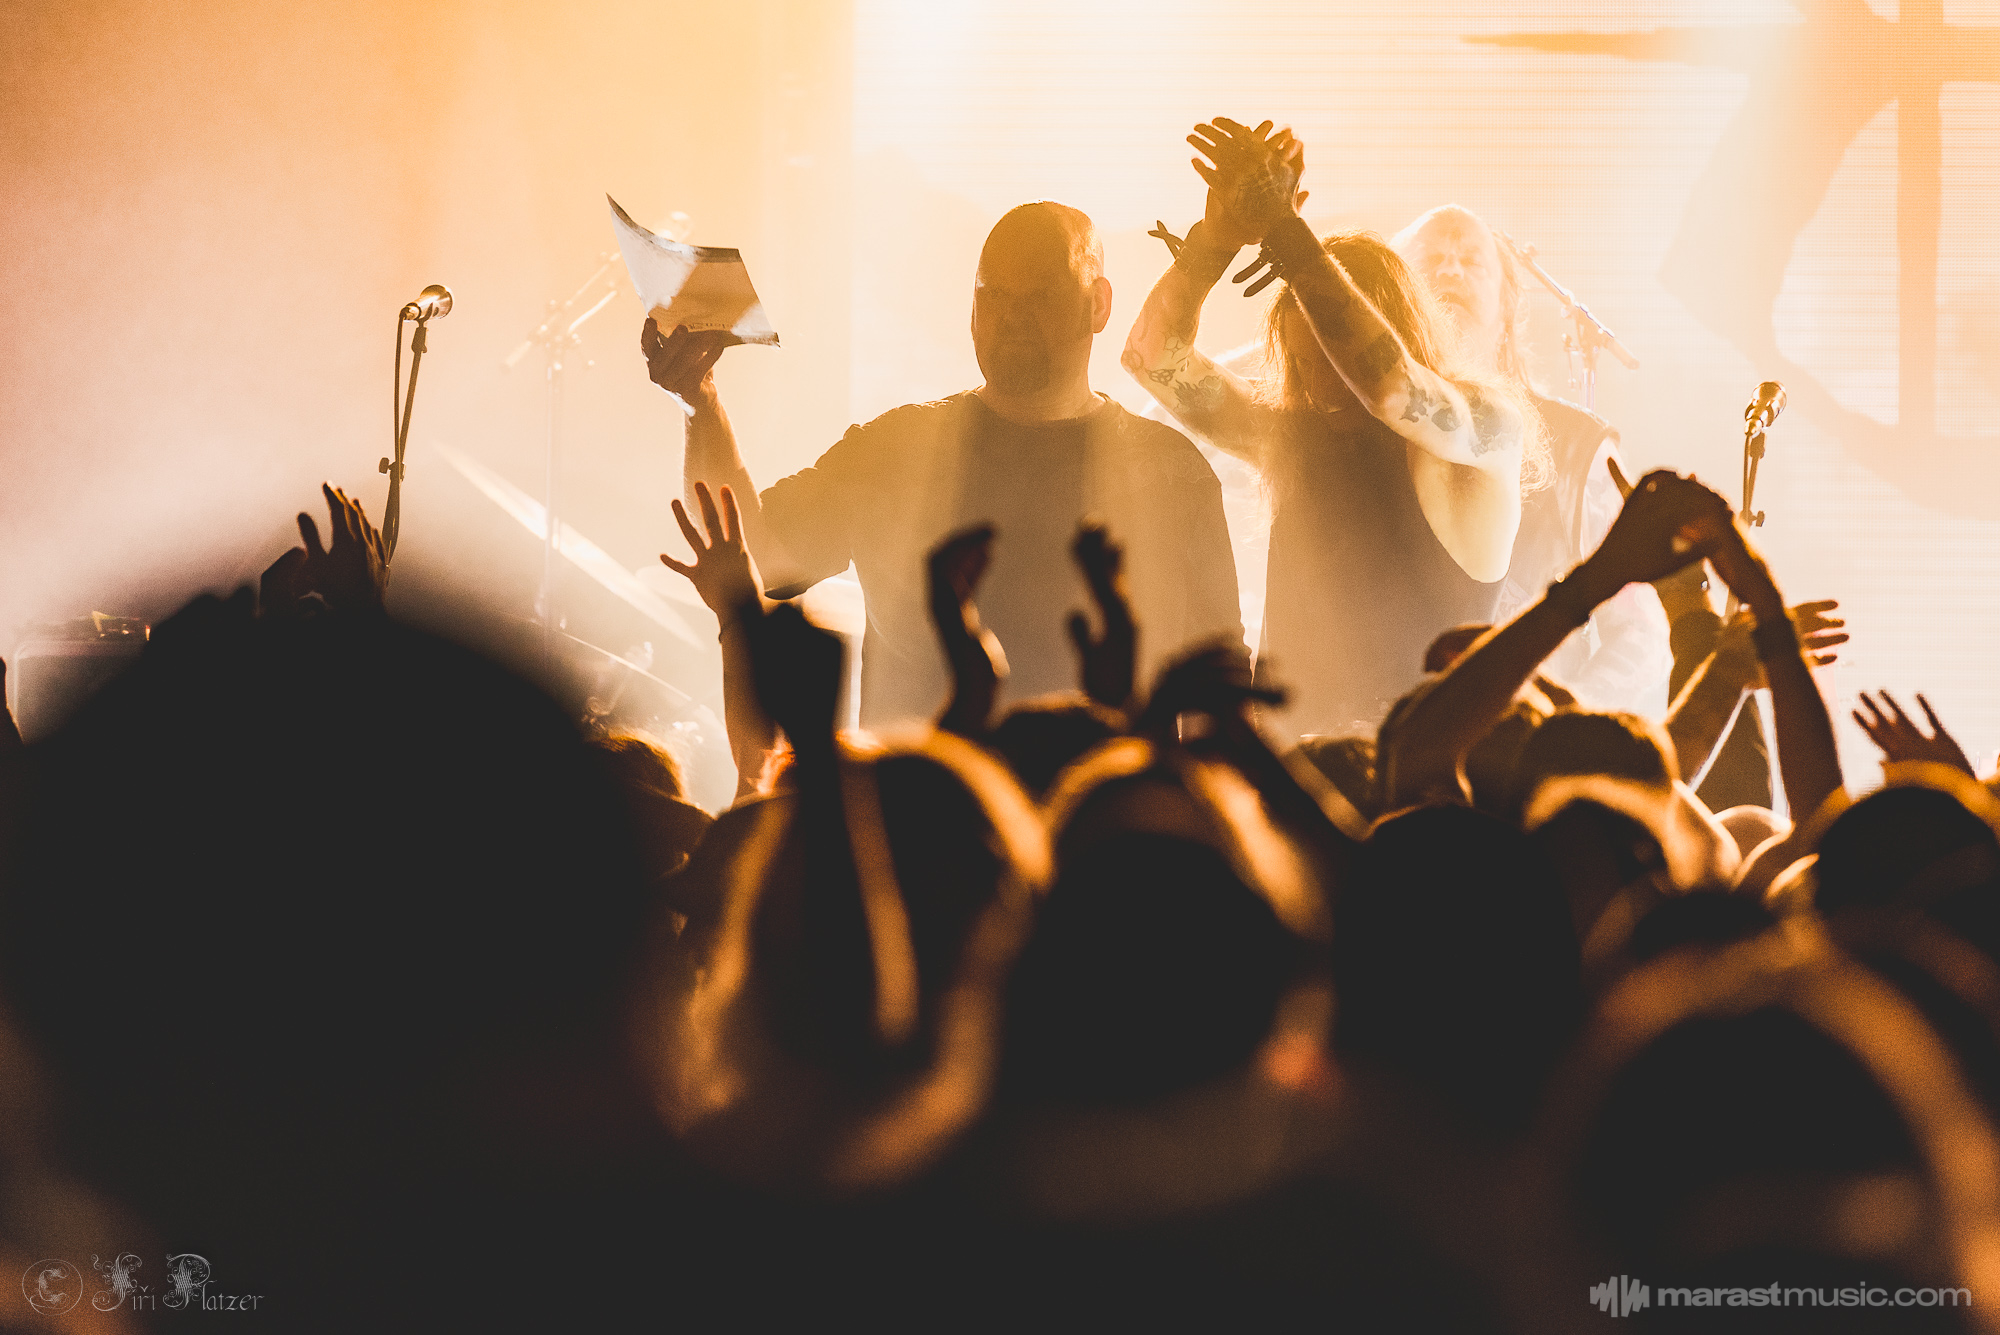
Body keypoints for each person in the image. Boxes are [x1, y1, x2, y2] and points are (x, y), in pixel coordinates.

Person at [643, 201, 1242, 729]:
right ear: (972, 307)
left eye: (1041, 296)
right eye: (994, 295)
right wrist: (700, 401)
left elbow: (1220, 683)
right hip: (924, 813)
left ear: (1099, 304)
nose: (1013, 317)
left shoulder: (1170, 472)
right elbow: (754, 551)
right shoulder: (893, 449)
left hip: (1100, 818)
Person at [1123, 119, 1535, 737]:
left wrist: (1284, 229)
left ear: (1393, 326)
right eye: (1300, 356)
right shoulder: (1293, 435)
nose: (1314, 375)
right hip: (1294, 774)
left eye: (1326, 351)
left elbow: (1391, 390)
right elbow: (1152, 357)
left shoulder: (1485, 429)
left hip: (1410, 775)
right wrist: (1216, 238)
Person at [1389, 204, 1671, 714]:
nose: (1451, 271)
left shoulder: (1577, 444)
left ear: (1506, 314)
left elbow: (1641, 634)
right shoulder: (1355, 432)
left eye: (1471, 261)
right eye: (1432, 259)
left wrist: (1563, 719)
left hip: (1522, 747)